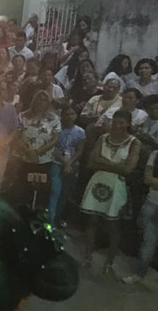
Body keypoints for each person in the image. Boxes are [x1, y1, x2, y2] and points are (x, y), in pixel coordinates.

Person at [80, 109, 141, 276]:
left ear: (128, 123)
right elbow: (91, 161)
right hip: (98, 181)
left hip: (117, 186)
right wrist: (116, 166)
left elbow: (128, 169)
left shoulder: (134, 143)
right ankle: (87, 256)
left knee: (113, 226)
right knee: (92, 221)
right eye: (115, 122)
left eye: (122, 123)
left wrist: (103, 162)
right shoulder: (103, 138)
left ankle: (110, 261)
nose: (118, 126)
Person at [123, 147, 158, 284]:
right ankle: (139, 274)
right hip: (152, 203)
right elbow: (147, 179)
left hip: (152, 202)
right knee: (148, 242)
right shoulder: (155, 154)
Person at [49, 108, 86, 226]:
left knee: (65, 193)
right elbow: (54, 148)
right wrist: (65, 162)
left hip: (72, 164)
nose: (69, 116)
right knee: (55, 191)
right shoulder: (56, 128)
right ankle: (50, 217)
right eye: (67, 114)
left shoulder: (80, 132)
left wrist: (69, 163)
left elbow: (80, 150)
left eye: (72, 113)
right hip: (57, 162)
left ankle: (58, 218)